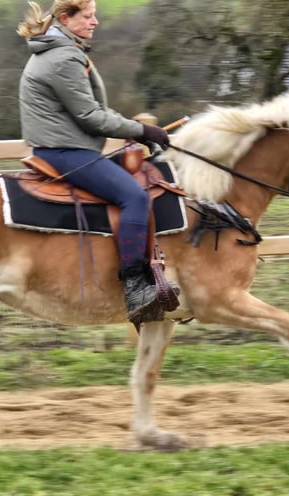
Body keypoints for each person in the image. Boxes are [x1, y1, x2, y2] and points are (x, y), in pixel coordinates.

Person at [17, 0, 176, 324]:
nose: (96, 22)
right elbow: (91, 116)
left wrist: (138, 131)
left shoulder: (58, 50)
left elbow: (93, 112)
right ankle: (135, 286)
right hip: (66, 152)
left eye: (94, 15)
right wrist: (143, 129)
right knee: (133, 196)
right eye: (88, 16)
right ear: (66, 18)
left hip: (64, 146)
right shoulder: (63, 57)